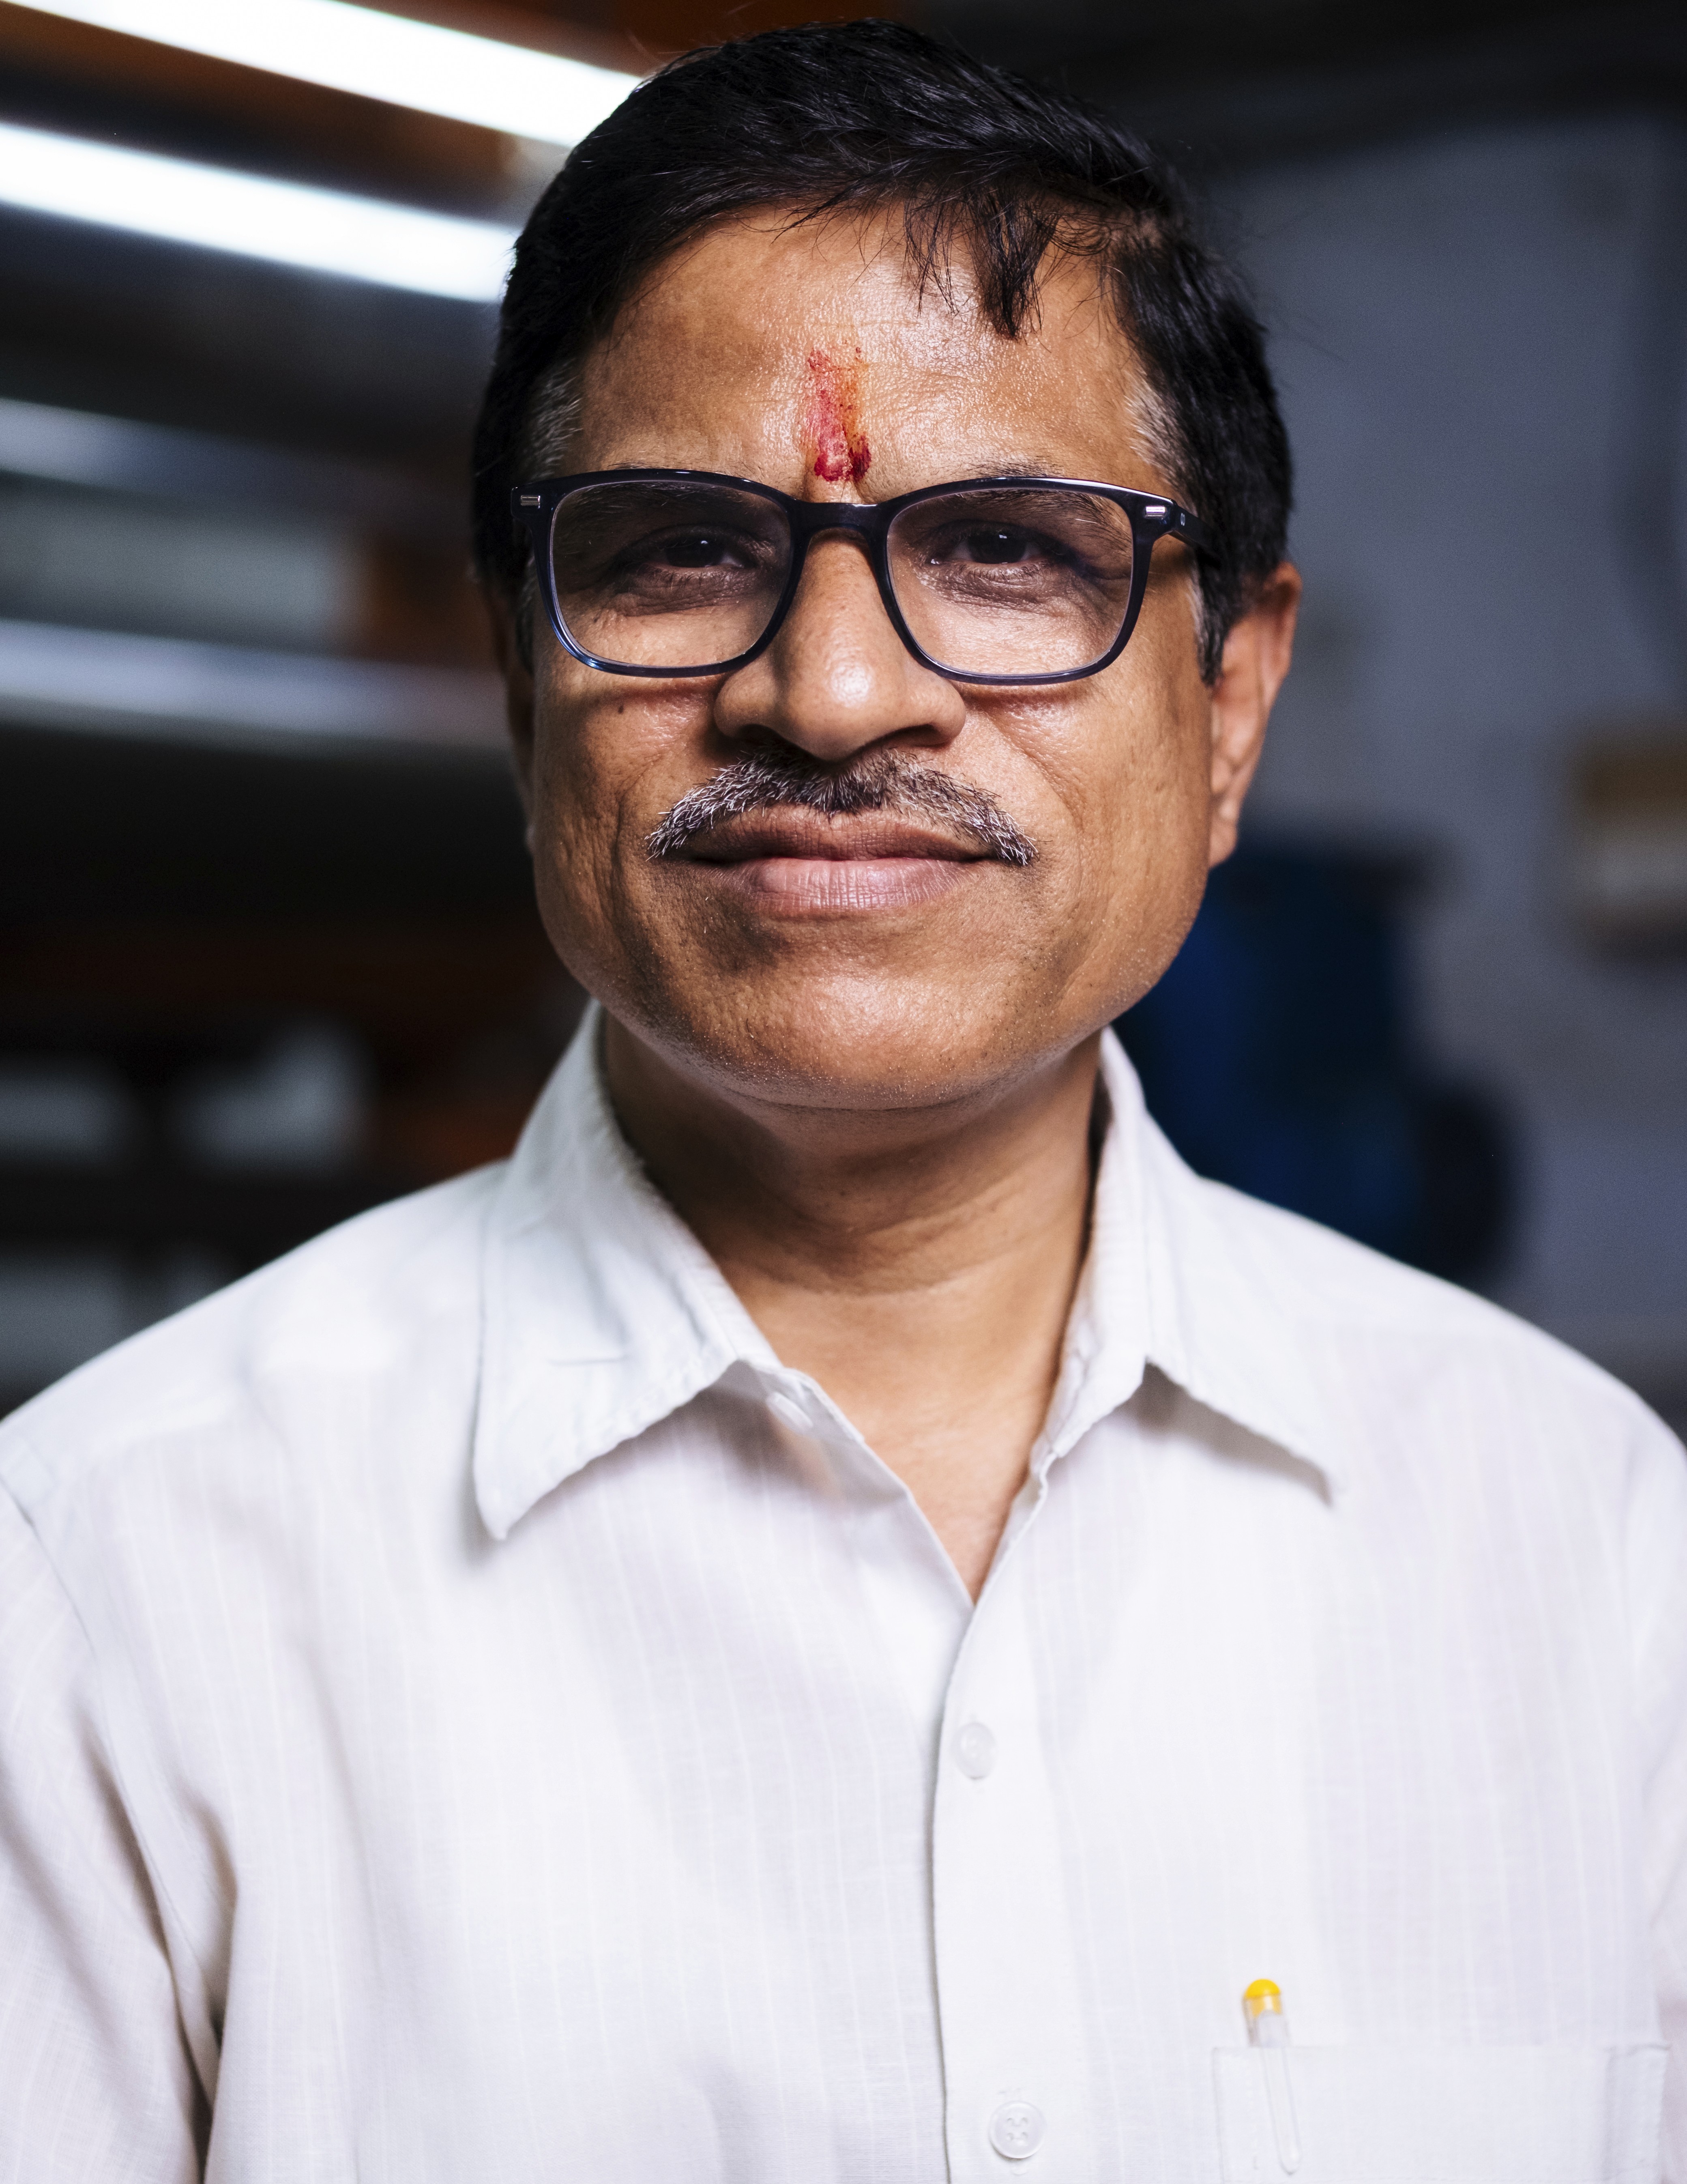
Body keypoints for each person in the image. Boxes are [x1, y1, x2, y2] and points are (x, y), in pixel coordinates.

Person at [2, 21, 1683, 2180]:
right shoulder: (105, 1588)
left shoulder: (1592, 1555)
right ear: (523, 688)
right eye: (678, 552)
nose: (832, 690)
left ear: (1232, 705)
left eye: (1010, 551)